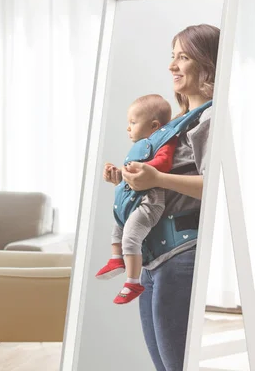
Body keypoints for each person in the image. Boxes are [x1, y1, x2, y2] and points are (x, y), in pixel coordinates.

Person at [121, 24, 219, 370]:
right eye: (172, 57)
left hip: (179, 256)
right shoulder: (175, 123)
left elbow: (215, 186)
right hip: (152, 257)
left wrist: (156, 177)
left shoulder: (209, 118)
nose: (172, 66)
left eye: (184, 57)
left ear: (207, 64)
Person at [96, 94, 178, 305]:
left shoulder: (164, 141)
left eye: (133, 122)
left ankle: (133, 281)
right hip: (135, 197)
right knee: (118, 225)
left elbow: (164, 162)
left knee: (130, 237)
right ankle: (116, 259)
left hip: (149, 201)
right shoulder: (143, 145)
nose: (128, 128)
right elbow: (134, 176)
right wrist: (119, 176)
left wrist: (141, 170)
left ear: (153, 125)